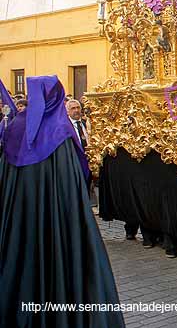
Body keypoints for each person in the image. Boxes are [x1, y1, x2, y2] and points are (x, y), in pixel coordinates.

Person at [0, 76, 124, 328]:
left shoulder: (14, 127)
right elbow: (75, 179)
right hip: (58, 218)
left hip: (19, 218)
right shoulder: (60, 130)